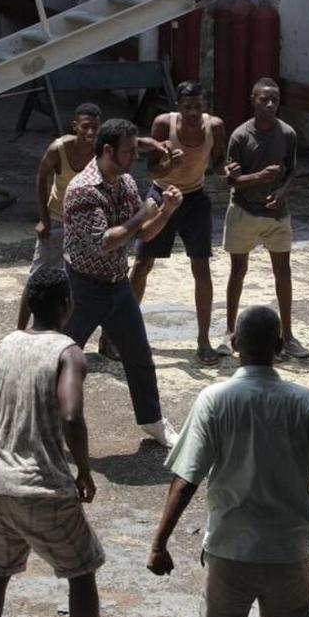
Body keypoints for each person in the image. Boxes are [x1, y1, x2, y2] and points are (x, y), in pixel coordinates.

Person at [147, 305, 309, 617]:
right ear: (279, 347)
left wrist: (159, 544)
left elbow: (186, 480)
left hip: (230, 552)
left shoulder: (213, 401)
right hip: (288, 553)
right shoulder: (304, 403)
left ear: (234, 343)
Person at [0, 266, 103, 617]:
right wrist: (84, 471)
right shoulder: (68, 352)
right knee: (82, 570)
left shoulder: (2, 346)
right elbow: (72, 416)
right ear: (66, 304)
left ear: (28, 302)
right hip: (43, 487)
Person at [63, 118, 183, 447]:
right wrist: (144, 214)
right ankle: (41, 424)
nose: (134, 157)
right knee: (57, 358)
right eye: (129, 151)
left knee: (139, 355)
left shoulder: (126, 182)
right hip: (82, 288)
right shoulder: (83, 190)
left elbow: (141, 234)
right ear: (107, 151)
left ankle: (152, 421)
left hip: (117, 284)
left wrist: (166, 212)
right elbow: (105, 241)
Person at [130, 81, 228, 365]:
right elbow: (150, 169)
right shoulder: (164, 124)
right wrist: (169, 167)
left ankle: (203, 340)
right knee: (142, 263)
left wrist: (228, 170)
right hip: (162, 195)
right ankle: (121, 333)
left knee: (201, 265)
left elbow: (218, 162)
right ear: (178, 108)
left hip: (195, 199)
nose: (194, 112)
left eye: (198, 106)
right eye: (188, 107)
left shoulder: (216, 126)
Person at [219, 78, 309, 359]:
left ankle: (288, 336)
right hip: (244, 210)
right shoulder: (240, 136)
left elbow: (292, 171)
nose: (270, 104)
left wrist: (281, 192)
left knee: (283, 273)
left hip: (276, 214)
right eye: (263, 99)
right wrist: (258, 177)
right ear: (253, 99)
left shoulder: (288, 134)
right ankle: (229, 332)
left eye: (274, 99)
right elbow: (232, 182)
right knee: (238, 271)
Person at [17, 103, 102, 333]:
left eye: (95, 127)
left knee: (82, 283)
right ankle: (19, 332)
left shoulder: (102, 151)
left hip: (86, 223)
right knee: (37, 277)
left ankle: (69, 334)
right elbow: (41, 177)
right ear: (75, 126)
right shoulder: (59, 149)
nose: (90, 133)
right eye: (86, 127)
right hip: (57, 217)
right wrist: (43, 218)